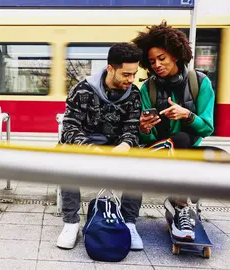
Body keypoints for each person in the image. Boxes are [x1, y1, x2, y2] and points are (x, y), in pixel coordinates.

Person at [132, 21, 217, 241]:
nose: (157, 65)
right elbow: (145, 137)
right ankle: (180, 206)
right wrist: (144, 128)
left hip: (185, 151)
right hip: (156, 151)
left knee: (219, 157)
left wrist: (187, 115)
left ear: (176, 55)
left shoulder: (200, 83)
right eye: (152, 61)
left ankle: (179, 202)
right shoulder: (147, 88)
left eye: (162, 58)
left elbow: (208, 128)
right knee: (179, 138)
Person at [57, 43, 144, 250]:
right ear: (110, 68)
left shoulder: (134, 94)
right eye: (126, 74)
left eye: (134, 74)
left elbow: (132, 128)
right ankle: (71, 222)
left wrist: (125, 145)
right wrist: (89, 148)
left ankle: (129, 222)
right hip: (85, 146)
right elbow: (70, 127)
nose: (131, 80)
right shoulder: (82, 90)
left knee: (141, 162)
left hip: (116, 147)